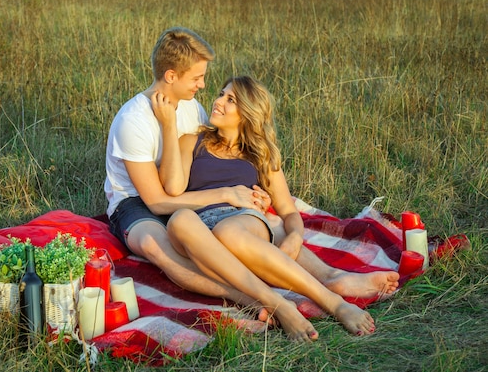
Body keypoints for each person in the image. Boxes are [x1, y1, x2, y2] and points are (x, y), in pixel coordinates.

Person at [155, 76, 399, 341]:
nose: (218, 101)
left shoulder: (260, 155)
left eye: (230, 99)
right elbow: (172, 188)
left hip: (238, 221)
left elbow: (288, 211)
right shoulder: (192, 141)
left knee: (231, 231)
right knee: (179, 219)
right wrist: (169, 126)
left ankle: (334, 301)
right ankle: (283, 302)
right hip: (199, 230)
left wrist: (295, 236)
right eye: (221, 94)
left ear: (248, 113)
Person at [104, 27, 270, 306]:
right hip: (136, 202)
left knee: (230, 234)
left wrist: (254, 194)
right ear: (171, 76)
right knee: (156, 246)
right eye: (197, 77)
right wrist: (226, 194)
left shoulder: (191, 107)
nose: (202, 86)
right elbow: (156, 202)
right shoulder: (132, 120)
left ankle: (263, 278)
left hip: (182, 193)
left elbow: (207, 163)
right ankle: (243, 296)